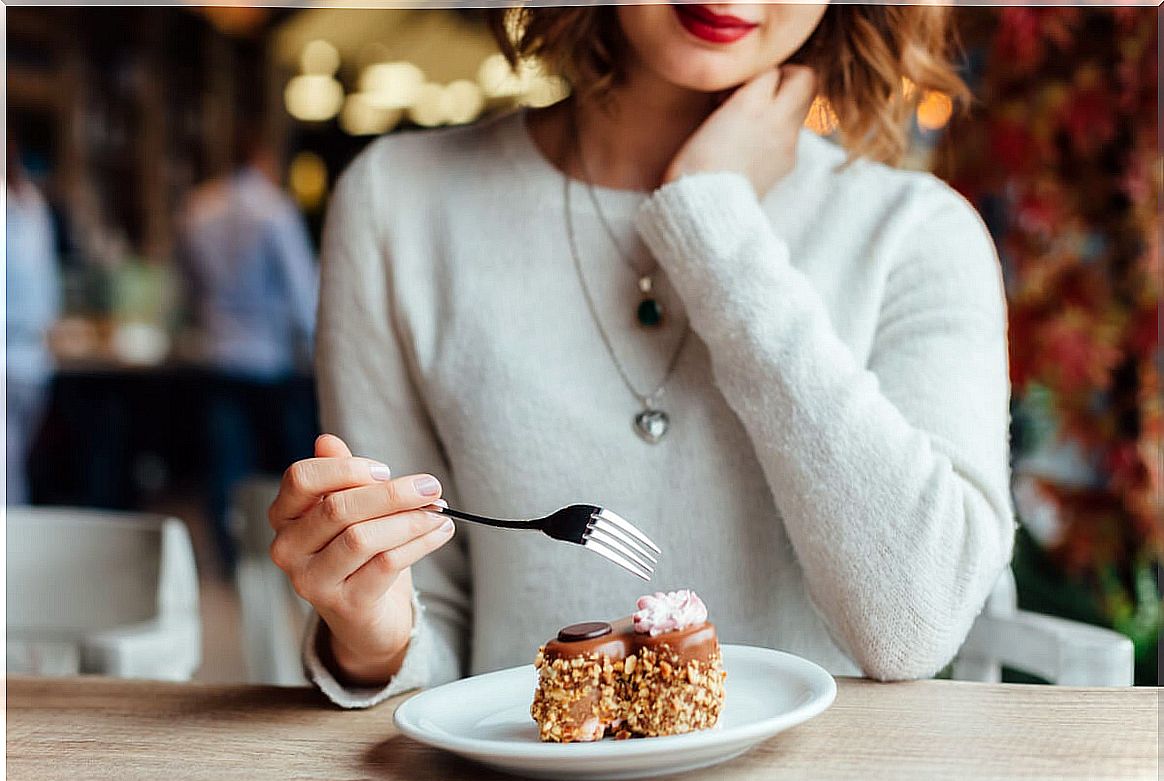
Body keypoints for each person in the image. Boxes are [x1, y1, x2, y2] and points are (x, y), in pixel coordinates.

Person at [268, 4, 1015, 706]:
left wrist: (714, 226)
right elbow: (427, 632)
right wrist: (370, 638)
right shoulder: (397, 204)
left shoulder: (917, 234)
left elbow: (916, 623)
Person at [177, 126, 318, 573]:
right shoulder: (274, 210)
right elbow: (302, 292)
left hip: (218, 352)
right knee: (282, 468)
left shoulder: (199, 207)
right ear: (263, 159)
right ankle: (279, 558)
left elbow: (189, 285)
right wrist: (315, 349)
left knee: (225, 465)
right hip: (270, 358)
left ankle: (229, 559)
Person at [6, 141, 61, 504]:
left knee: (15, 465)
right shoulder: (26, 205)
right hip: (14, 352)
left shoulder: (33, 204)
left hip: (32, 355)